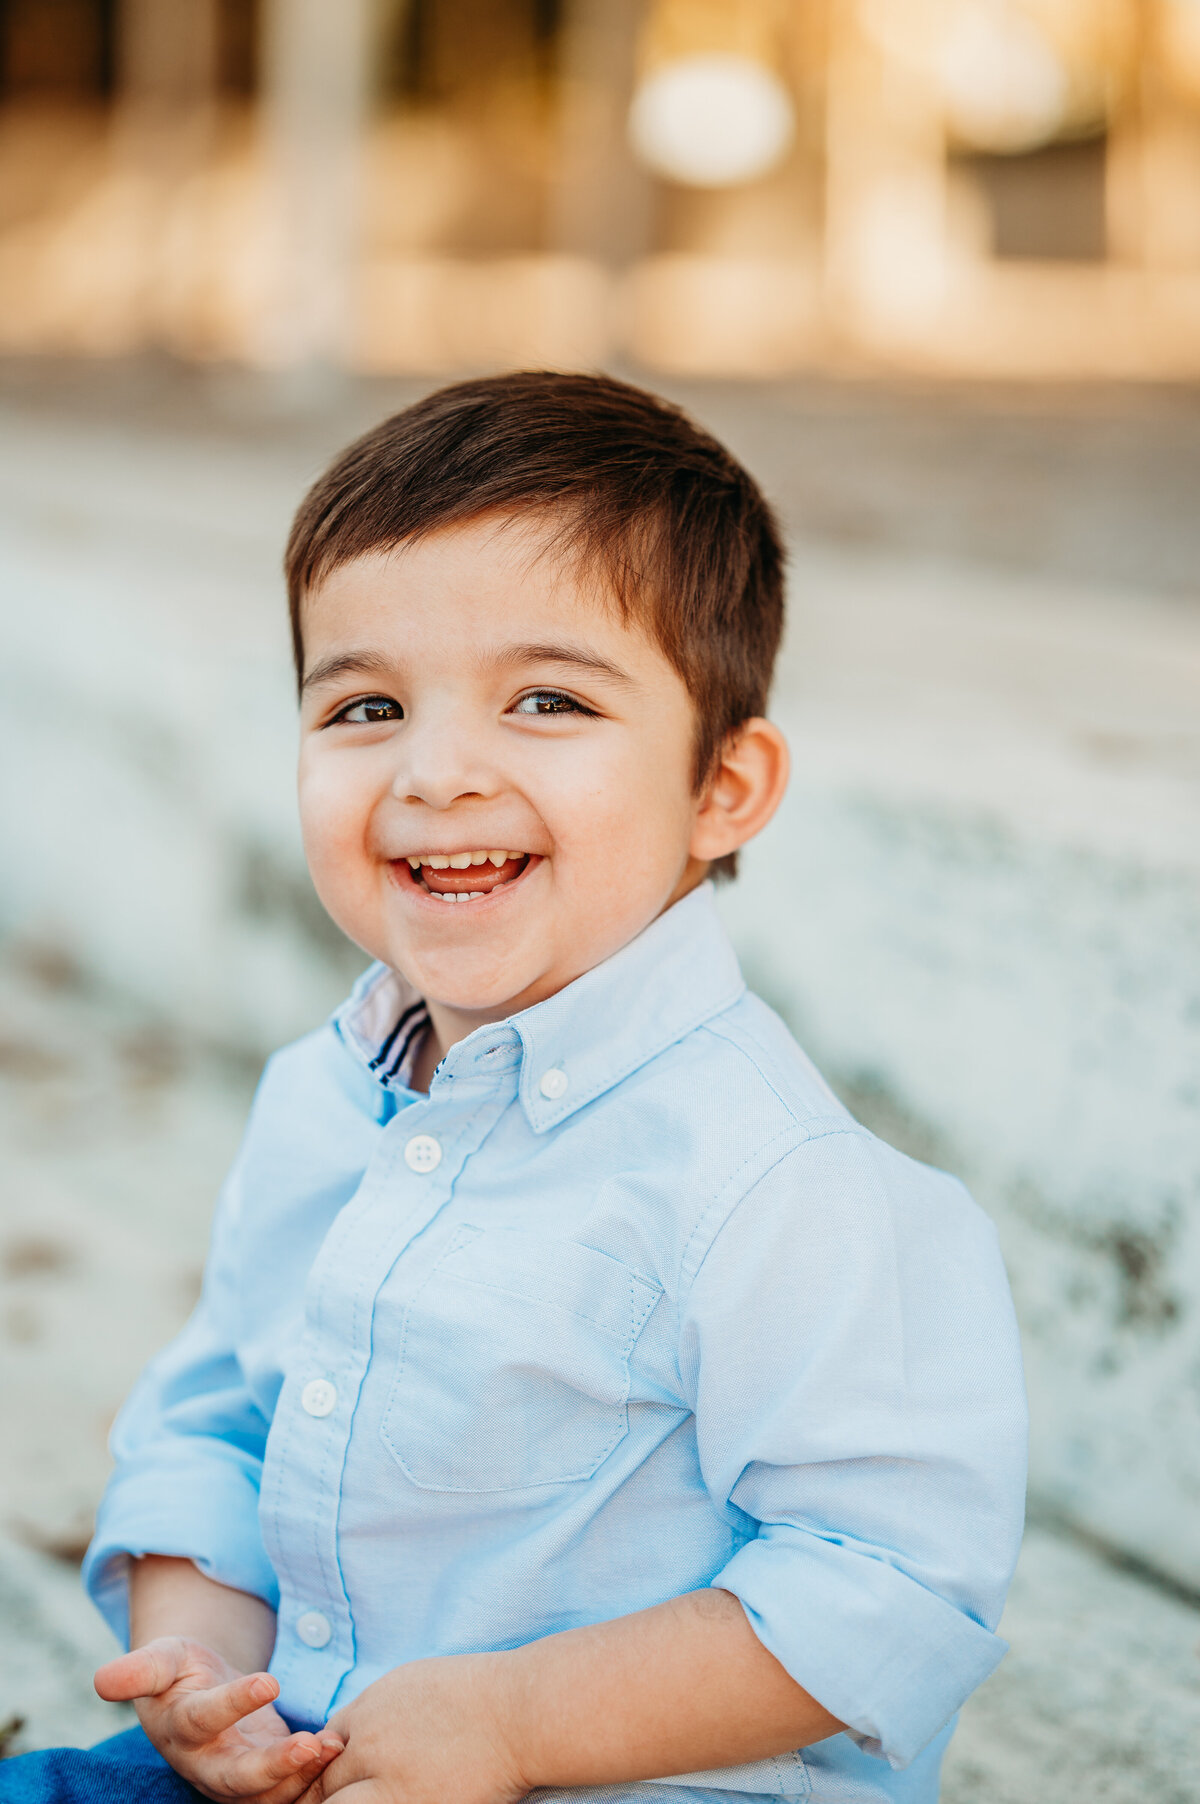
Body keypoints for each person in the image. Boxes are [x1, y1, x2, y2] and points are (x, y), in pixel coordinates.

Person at [2, 373, 1026, 1804]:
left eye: (546, 700)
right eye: (365, 705)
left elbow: (893, 1587)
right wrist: (205, 1671)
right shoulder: (323, 1096)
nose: (435, 771)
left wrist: (517, 1728)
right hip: (301, 1757)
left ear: (724, 787)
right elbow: (218, 1417)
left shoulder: (776, 1178)